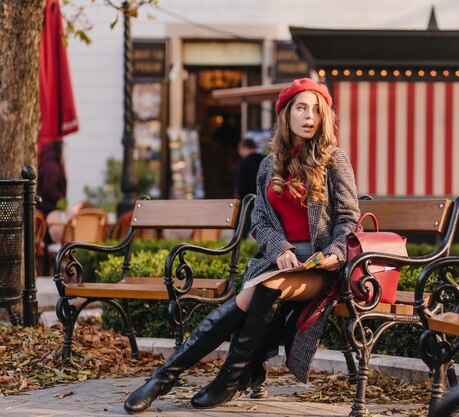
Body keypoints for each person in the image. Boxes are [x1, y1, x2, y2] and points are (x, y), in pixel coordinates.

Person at [124, 77, 360, 413]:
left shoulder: (334, 159)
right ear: (286, 115)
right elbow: (260, 221)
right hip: (280, 262)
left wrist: (336, 253)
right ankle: (170, 378)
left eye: (317, 110)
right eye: (302, 108)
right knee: (256, 293)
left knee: (264, 289)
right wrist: (279, 248)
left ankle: (212, 379)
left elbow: (349, 218)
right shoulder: (268, 165)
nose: (310, 116)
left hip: (322, 268)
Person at [234, 138, 264, 238]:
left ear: (244, 148)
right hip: (264, 202)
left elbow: (241, 186)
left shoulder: (244, 163)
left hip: (248, 203)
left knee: (240, 231)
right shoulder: (265, 160)